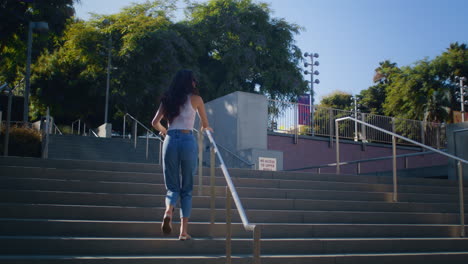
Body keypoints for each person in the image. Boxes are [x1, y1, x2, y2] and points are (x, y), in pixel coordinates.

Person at [151, 69, 213, 241]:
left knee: (172, 187)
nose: (195, 83)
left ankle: (168, 210)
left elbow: (154, 123)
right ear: (189, 82)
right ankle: (183, 232)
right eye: (194, 80)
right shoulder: (196, 99)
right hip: (187, 140)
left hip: (170, 139)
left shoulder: (168, 99)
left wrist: (165, 131)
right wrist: (206, 128)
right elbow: (204, 124)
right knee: (187, 189)